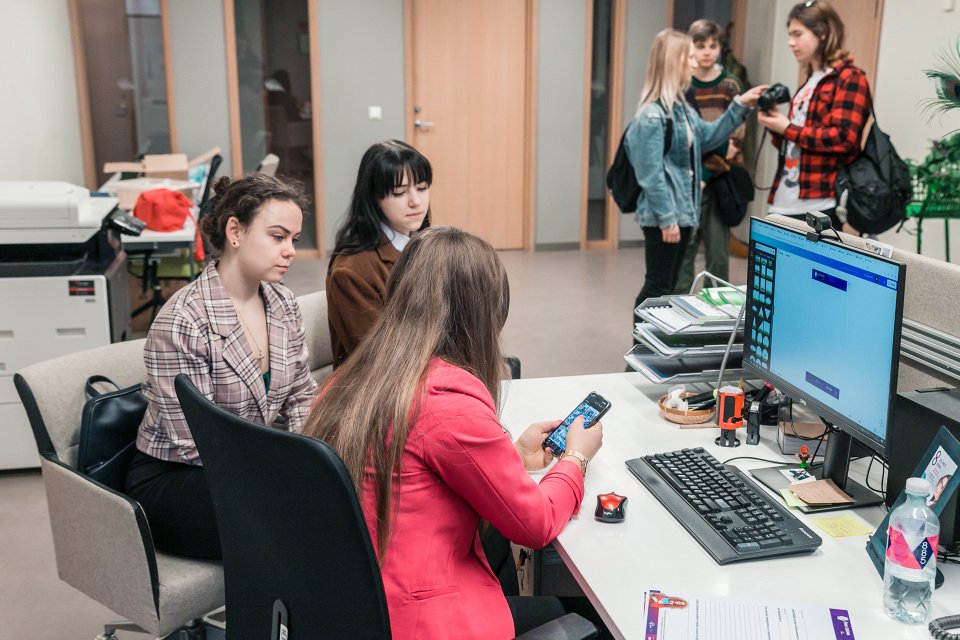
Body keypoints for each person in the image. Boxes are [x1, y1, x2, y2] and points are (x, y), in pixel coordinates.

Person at [303, 227, 605, 640]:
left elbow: (414, 472)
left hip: (355, 606)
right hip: (419, 621)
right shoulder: (448, 400)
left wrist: (514, 455)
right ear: (482, 313)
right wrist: (576, 459)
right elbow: (535, 523)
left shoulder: (350, 380)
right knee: (592, 619)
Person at [125, 173, 318, 559]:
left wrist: (312, 458)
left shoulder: (282, 303)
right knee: (300, 517)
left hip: (246, 466)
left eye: (293, 240)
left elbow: (301, 395)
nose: (290, 251)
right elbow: (198, 442)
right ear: (235, 231)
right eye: (277, 237)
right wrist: (286, 468)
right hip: (178, 477)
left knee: (330, 495)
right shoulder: (183, 320)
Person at [627, 29, 764, 317]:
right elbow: (650, 176)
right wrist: (667, 220)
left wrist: (740, 105)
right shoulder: (652, 115)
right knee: (656, 287)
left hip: (682, 214)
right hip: (665, 218)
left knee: (665, 286)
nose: (693, 63)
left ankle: (654, 350)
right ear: (673, 62)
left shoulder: (682, 109)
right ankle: (640, 352)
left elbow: (710, 136)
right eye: (688, 56)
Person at [757, 0, 871, 232]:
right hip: (782, 200)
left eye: (798, 34)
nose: (791, 42)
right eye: (789, 35)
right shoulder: (809, 81)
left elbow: (843, 138)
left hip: (819, 203)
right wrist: (774, 124)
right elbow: (792, 143)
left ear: (822, 33)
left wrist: (787, 128)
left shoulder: (850, 78)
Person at [326, 140, 431, 368]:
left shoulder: (427, 245)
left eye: (422, 188)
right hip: (378, 390)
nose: (415, 201)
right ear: (373, 199)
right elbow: (380, 361)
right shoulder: (352, 270)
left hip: (425, 372)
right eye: (399, 192)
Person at [674, 19, 747, 294]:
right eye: (700, 45)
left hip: (719, 182)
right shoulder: (683, 83)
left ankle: (715, 317)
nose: (706, 52)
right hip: (686, 179)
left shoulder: (730, 85)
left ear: (720, 48)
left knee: (718, 253)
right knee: (684, 252)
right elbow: (684, 139)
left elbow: (733, 143)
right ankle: (679, 311)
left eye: (712, 45)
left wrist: (705, 172)